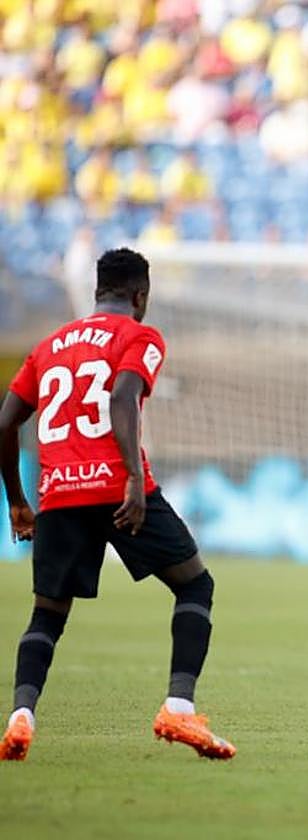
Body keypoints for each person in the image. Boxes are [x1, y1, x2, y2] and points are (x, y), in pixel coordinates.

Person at [0, 248, 234, 761]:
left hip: (58, 492)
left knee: (46, 616)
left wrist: (18, 501)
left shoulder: (50, 346)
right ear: (141, 296)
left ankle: (21, 716)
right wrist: (130, 477)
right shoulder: (141, 336)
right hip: (119, 489)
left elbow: (5, 421)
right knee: (195, 584)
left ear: (97, 293)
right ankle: (178, 707)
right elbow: (122, 398)